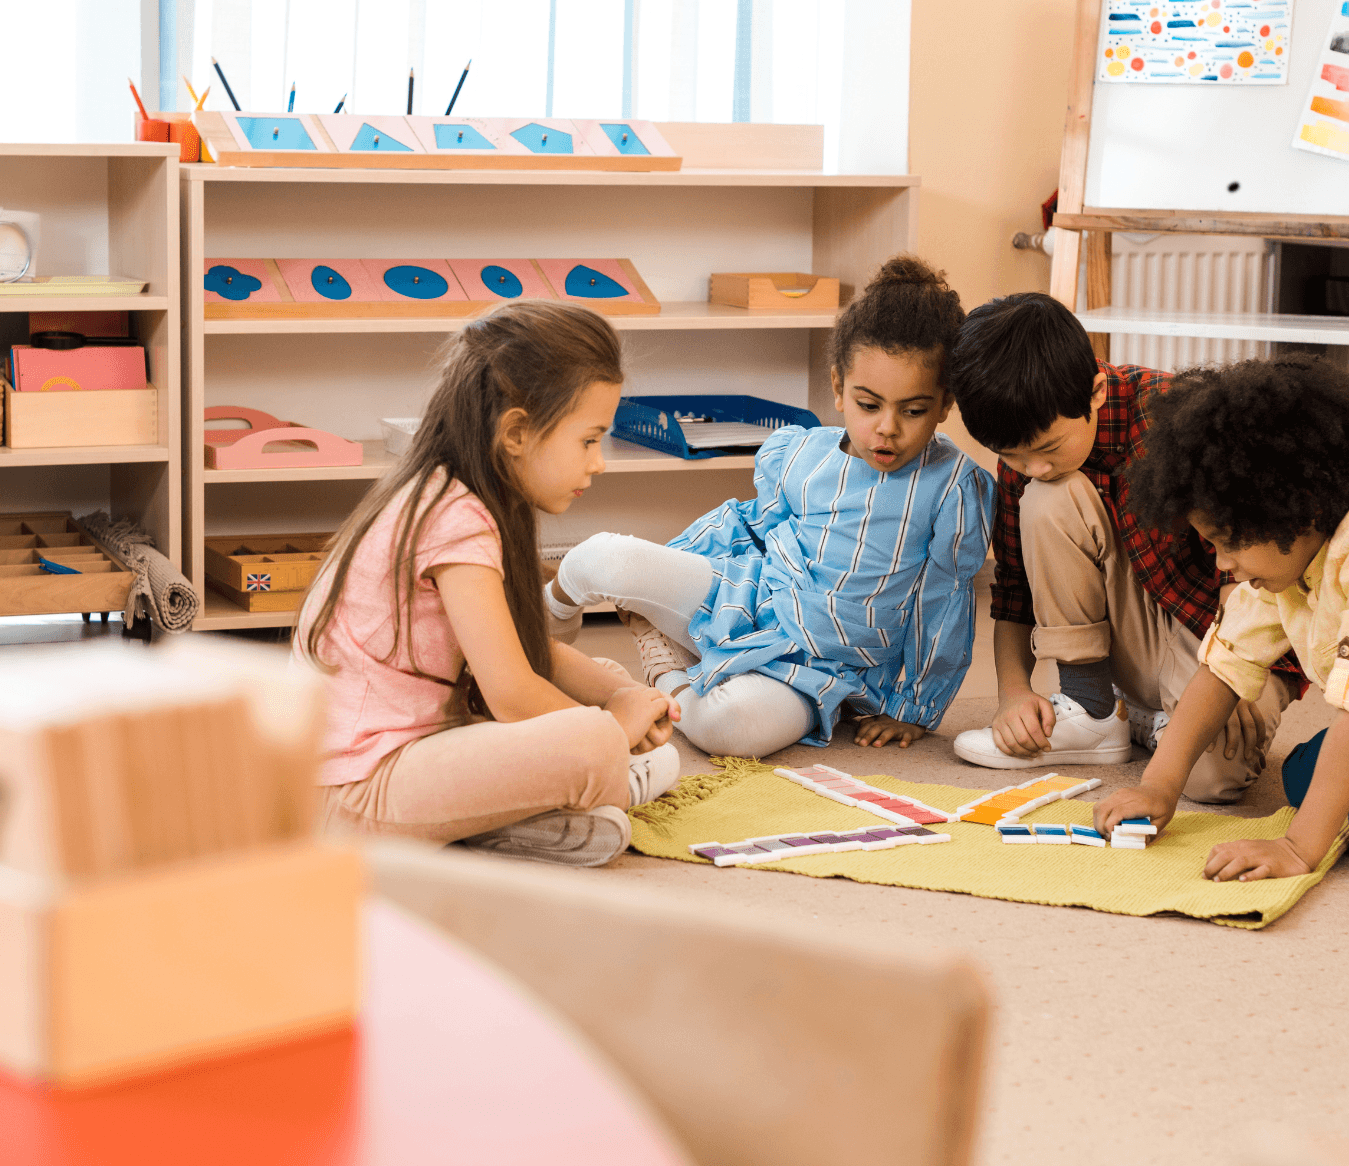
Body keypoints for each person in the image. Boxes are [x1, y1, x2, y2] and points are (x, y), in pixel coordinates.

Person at [546, 256, 994, 758]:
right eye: (869, 405)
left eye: (914, 411)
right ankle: (541, 632)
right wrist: (668, 569)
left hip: (827, 669)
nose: (887, 427)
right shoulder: (799, 453)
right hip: (748, 598)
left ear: (945, 404)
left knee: (728, 727)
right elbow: (746, 528)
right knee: (599, 557)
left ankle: (662, 675)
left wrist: (914, 709)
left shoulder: (953, 485)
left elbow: (944, 603)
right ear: (838, 386)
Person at [298, 301, 682, 868]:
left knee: (609, 682)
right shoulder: (454, 516)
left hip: (401, 760)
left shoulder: (456, 494)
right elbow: (510, 693)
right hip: (355, 792)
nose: (599, 463)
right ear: (518, 433)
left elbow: (526, 653)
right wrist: (612, 728)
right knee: (591, 742)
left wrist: (616, 697)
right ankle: (612, 782)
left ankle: (507, 822)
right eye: (589, 440)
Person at [946, 294, 1298, 792]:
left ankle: (1144, 716)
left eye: (1047, 448)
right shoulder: (1028, 462)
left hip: (1223, 628)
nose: (1034, 468)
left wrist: (1237, 672)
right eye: (1014, 457)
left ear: (1094, 393)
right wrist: (1012, 693)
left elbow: (1241, 571)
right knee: (1048, 499)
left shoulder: (1175, 416)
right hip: (1136, 632)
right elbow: (1014, 589)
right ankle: (1093, 710)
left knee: (1210, 780)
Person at [1094, 358, 1349, 878]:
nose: (1221, 564)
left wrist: (1299, 848)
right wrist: (1158, 785)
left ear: (1299, 512)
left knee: (1322, 798)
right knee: (1306, 777)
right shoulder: (1284, 567)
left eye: (1227, 544)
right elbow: (1222, 668)